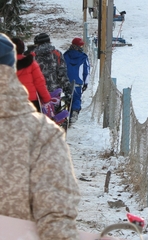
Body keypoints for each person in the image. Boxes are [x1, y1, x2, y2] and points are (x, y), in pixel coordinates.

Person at [0, 33, 81, 240]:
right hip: (31, 102)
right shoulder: (43, 135)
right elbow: (56, 216)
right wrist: (47, 101)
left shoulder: (35, 54)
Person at [11, 37, 51, 112]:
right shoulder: (31, 63)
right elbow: (39, 83)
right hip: (31, 101)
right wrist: (46, 99)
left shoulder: (3, 65)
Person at [64, 37, 90, 124]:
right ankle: (74, 112)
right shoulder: (83, 57)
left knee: (68, 97)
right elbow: (86, 71)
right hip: (78, 82)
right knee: (76, 98)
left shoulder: (66, 55)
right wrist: (86, 83)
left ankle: (67, 114)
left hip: (66, 81)